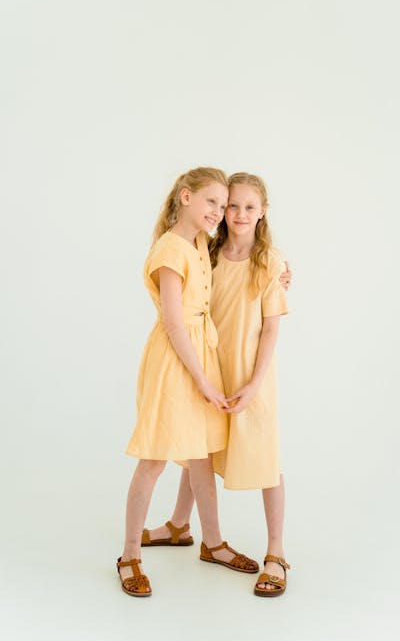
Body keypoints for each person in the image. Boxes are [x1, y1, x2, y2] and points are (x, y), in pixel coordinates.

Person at [143, 172, 291, 597]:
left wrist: (256, 382)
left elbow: (269, 331)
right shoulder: (204, 250)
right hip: (208, 369)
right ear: (221, 210)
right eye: (232, 205)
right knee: (198, 450)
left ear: (262, 212)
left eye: (249, 206)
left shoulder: (271, 262)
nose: (239, 213)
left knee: (266, 460)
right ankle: (178, 525)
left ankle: (276, 552)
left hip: (251, 376)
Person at [117, 167, 259, 598]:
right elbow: (174, 323)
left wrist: (281, 271)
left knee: (201, 455)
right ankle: (128, 556)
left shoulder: (200, 242)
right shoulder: (169, 250)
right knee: (155, 458)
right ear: (185, 197)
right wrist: (201, 380)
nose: (219, 211)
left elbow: (242, 256)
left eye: (223, 203)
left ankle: (209, 541)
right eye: (212, 202)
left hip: (202, 353)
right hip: (177, 360)